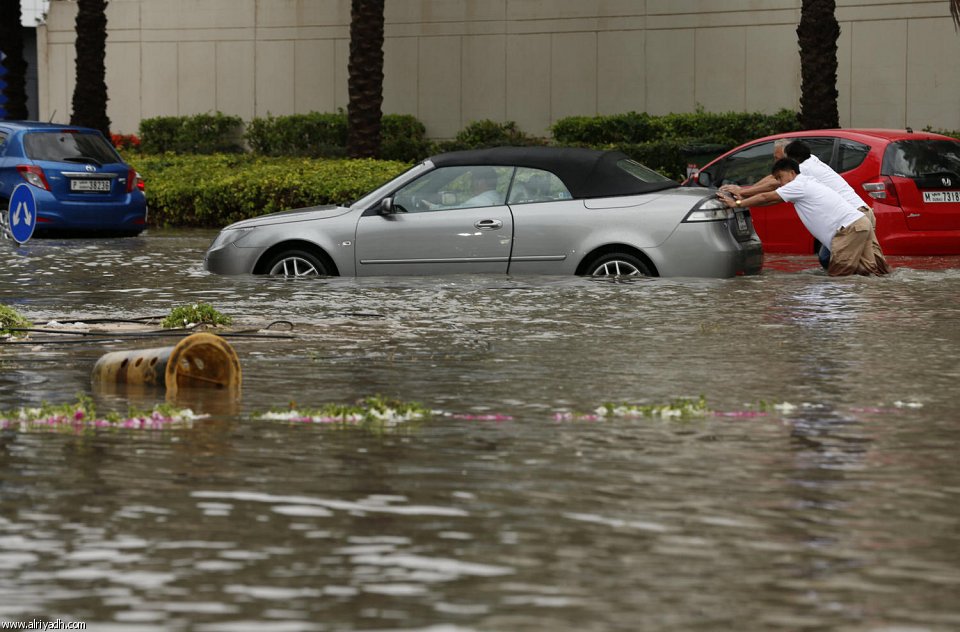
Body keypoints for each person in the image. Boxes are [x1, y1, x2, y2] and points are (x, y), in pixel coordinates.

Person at [719, 158, 890, 276]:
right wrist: (746, 200)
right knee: (872, 273)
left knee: (840, 278)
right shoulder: (806, 182)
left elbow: (766, 197)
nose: (780, 182)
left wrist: (738, 203)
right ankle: (872, 312)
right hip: (861, 223)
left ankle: (843, 324)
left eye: (780, 177)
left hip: (848, 229)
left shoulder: (797, 185)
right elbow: (771, 201)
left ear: (792, 173)